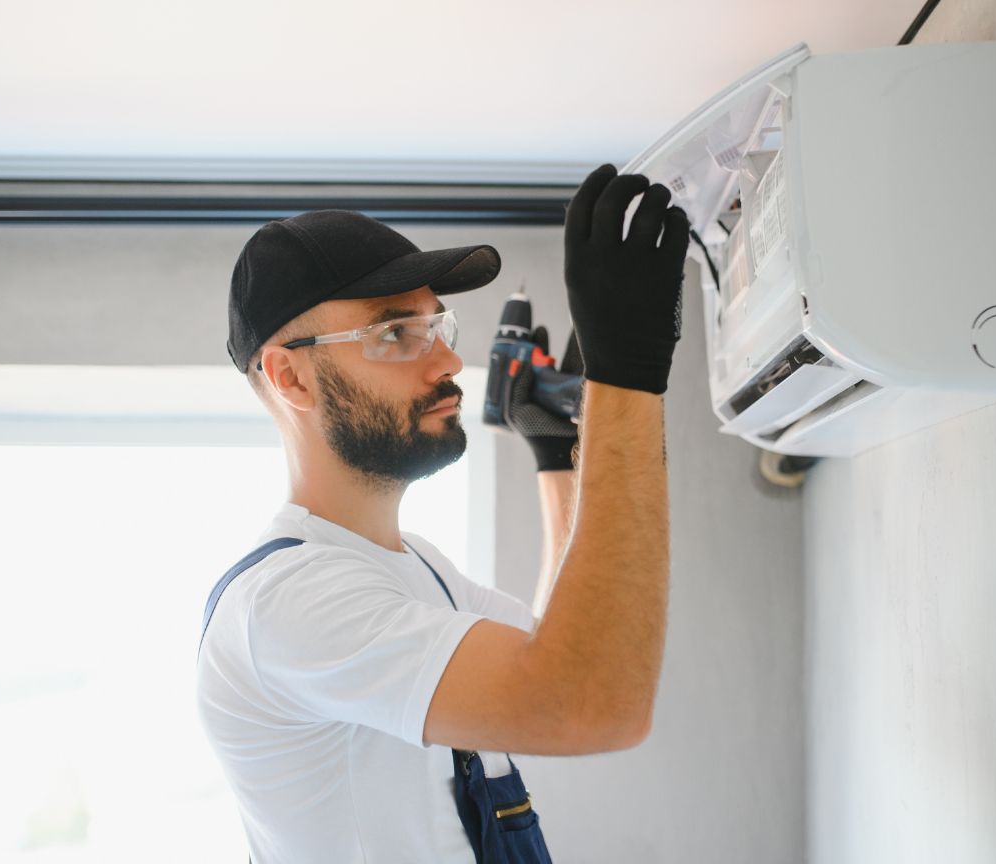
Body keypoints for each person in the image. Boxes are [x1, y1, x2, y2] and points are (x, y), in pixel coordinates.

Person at [196, 164, 689, 864]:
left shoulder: (413, 566)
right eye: (397, 334)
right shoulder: (287, 602)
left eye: (438, 326)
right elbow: (590, 702)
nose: (450, 359)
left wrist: (557, 460)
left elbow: (562, 651)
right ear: (290, 376)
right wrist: (625, 378)